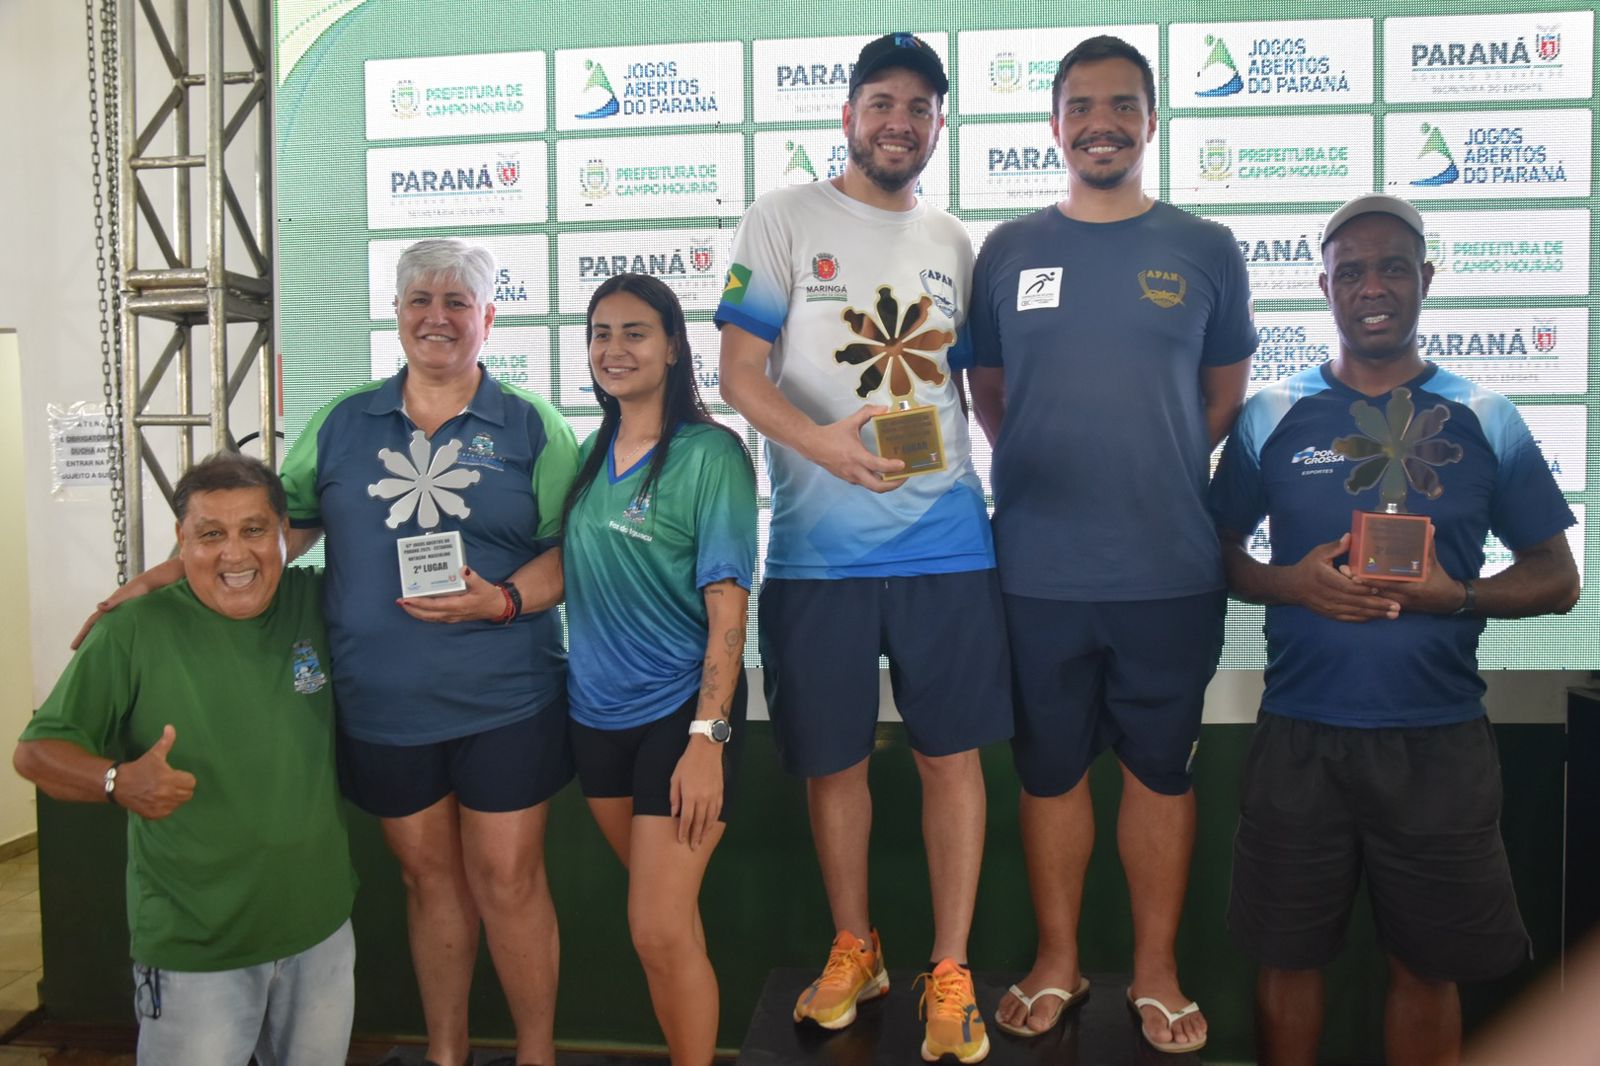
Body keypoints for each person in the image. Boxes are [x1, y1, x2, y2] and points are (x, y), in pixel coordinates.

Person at [83, 239, 578, 1066]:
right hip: (382, 706)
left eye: (457, 302)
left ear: (488, 318)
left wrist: (500, 599)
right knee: (428, 881)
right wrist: (169, 572)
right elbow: (269, 530)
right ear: (397, 313)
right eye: (420, 300)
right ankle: (447, 1054)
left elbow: (569, 552)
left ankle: (536, 1056)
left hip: (507, 701)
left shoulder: (533, 424)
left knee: (509, 881)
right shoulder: (344, 423)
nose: (437, 317)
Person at [1209, 193, 1578, 1066]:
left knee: (1428, 967)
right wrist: (1288, 584)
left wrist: (1459, 596)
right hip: (1299, 737)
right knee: (1287, 958)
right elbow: (1218, 553)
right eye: (1351, 273)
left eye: (1393, 269)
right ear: (1324, 288)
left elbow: (1558, 578)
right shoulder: (1270, 413)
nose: (1371, 288)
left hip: (1438, 742)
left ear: (1426, 279)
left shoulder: (1487, 415)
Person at [716, 33, 1010, 1064]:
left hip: (946, 546)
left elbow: (974, 392)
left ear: (939, 125)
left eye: (919, 107)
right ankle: (856, 947)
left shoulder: (954, 240)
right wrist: (822, 447)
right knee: (834, 762)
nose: (899, 122)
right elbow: (738, 375)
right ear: (847, 116)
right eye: (881, 102)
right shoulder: (782, 217)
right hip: (816, 553)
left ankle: (951, 967)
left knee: (949, 758)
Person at [965, 35, 1257, 1052]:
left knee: (1159, 774)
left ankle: (1156, 971)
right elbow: (989, 394)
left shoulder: (1206, 247)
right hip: (1036, 571)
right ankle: (1057, 960)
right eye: (1081, 106)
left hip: (1168, 571)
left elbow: (1221, 400)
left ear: (1151, 120)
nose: (1102, 123)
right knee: (1048, 773)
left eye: (1123, 105)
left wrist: (1148, 462)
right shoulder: (1007, 250)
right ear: (1053, 125)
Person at [16, 452, 357, 1065]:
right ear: (182, 540)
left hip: (321, 932)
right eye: (211, 535)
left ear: (285, 533)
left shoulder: (314, 601)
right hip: (197, 949)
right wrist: (116, 780)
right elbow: (36, 752)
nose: (235, 554)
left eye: (254, 529)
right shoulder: (130, 629)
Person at [562, 273, 757, 1064]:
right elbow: (562, 572)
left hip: (680, 720)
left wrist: (707, 739)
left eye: (635, 332)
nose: (615, 349)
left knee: (656, 928)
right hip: (594, 720)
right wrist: (496, 601)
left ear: (674, 348)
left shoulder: (713, 455)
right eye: (601, 333)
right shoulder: (590, 453)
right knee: (665, 930)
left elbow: (729, 610)